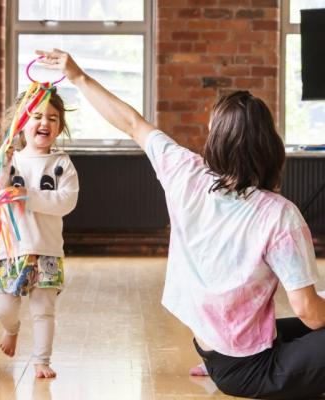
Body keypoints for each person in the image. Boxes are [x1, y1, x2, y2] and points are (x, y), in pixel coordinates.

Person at [38, 48, 325, 399]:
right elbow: (309, 312)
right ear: (270, 146)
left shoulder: (187, 174)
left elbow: (131, 123)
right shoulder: (278, 214)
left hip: (215, 350)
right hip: (251, 369)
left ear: (216, 140)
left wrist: (78, 76)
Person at [0, 89, 79, 378]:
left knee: (43, 310)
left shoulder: (61, 163)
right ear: (21, 122)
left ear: (60, 127)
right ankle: (11, 329)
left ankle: (42, 360)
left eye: (53, 118)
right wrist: (0, 177)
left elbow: (67, 201)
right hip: (10, 252)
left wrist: (28, 195)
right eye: (37, 116)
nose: (45, 122)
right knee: (3, 306)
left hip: (47, 250)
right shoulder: (8, 159)